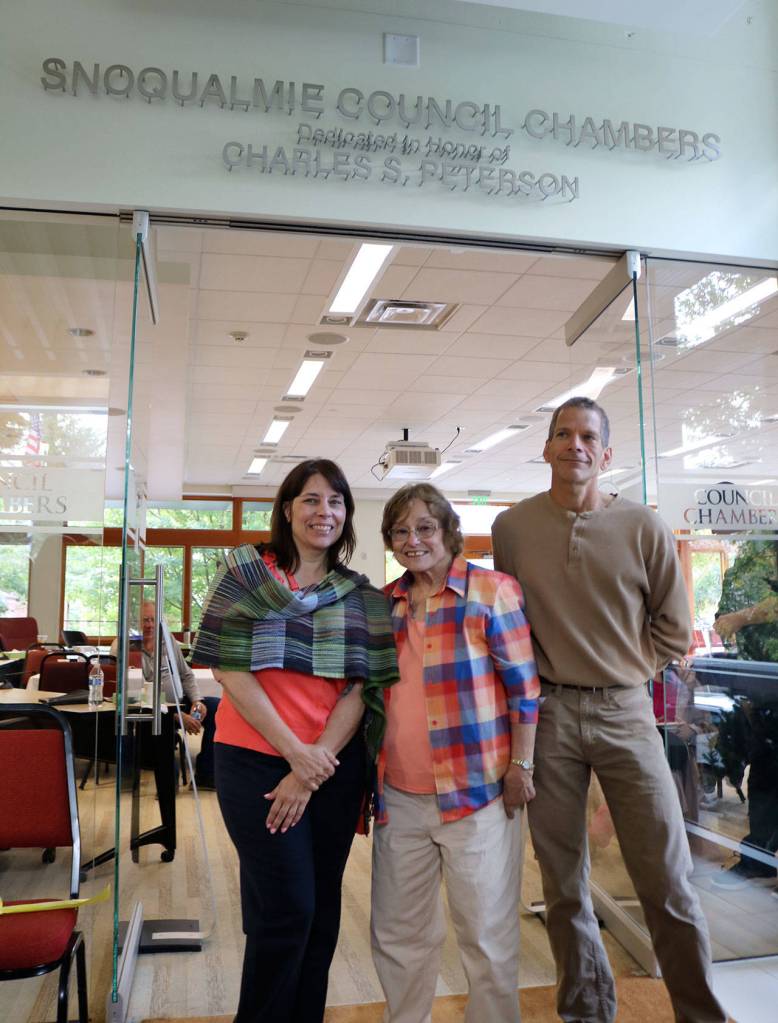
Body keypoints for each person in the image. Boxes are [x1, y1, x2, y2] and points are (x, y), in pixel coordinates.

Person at [492, 396, 726, 1023]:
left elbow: (674, 630)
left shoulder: (643, 528)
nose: (575, 445)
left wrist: (621, 672)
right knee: (563, 885)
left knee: (667, 879)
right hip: (548, 718)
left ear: (606, 452)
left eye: (588, 436)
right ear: (545, 448)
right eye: (563, 434)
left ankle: (700, 1013)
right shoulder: (512, 529)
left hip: (626, 712)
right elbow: (509, 625)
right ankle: (586, 1013)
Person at [191, 458, 398, 1023]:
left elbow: (361, 689)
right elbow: (229, 669)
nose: (323, 512)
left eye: (335, 501)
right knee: (288, 910)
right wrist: (295, 756)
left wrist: (313, 765)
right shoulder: (246, 575)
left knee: (318, 911)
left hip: (331, 768)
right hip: (256, 762)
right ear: (287, 509)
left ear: (347, 515)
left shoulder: (360, 596)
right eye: (310, 499)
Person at [372, 483, 539, 1023]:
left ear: (448, 532)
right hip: (400, 797)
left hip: (478, 794)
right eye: (400, 530)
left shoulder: (493, 592)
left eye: (424, 527)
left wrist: (521, 765)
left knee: (486, 936)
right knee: (399, 933)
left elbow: (525, 689)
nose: (412, 540)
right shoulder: (386, 603)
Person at [710, 539, 778, 889]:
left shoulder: (766, 543)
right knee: (765, 772)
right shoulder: (754, 548)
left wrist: (741, 617)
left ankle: (759, 856)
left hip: (772, 680)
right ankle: (760, 857)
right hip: (763, 687)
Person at [111, 600, 217, 787]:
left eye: (153, 620)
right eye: (145, 620)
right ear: (135, 623)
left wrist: (197, 701)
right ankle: (168, 783)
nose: (149, 625)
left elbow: (186, 674)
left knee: (216, 707)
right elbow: (130, 695)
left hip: (178, 701)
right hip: (148, 708)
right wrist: (176, 715)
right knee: (164, 719)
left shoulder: (167, 641)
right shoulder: (126, 646)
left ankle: (206, 777)